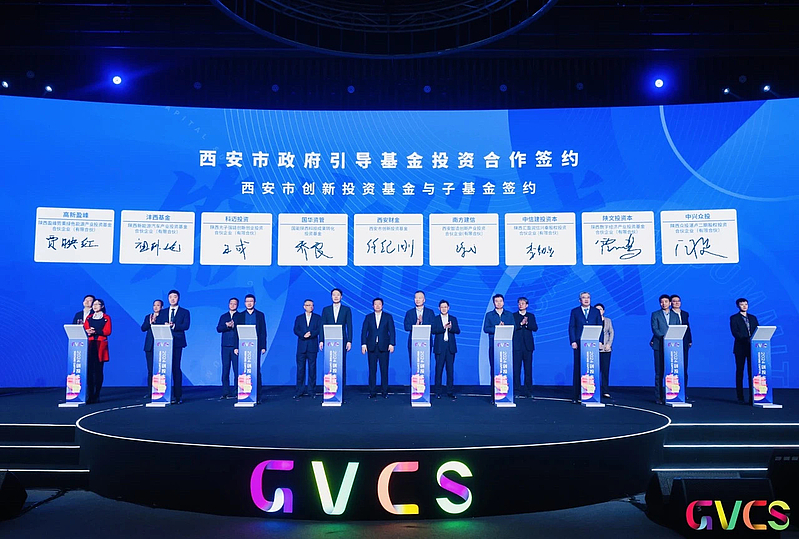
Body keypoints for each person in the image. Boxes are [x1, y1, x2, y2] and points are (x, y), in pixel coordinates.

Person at [568, 292, 604, 404]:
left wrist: (600, 341)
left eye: (588, 297)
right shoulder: (575, 311)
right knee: (578, 368)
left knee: (591, 369)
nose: (586, 299)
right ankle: (576, 395)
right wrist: (573, 341)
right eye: (583, 298)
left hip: (592, 344)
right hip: (579, 344)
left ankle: (592, 395)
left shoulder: (595, 311)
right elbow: (572, 327)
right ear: (580, 300)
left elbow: (600, 326)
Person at [319, 288, 354, 399]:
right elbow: (322, 325)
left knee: (341, 364)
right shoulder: (326, 309)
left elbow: (349, 325)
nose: (335, 296)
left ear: (341, 297)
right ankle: (329, 389)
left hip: (342, 341)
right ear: (331, 296)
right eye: (334, 295)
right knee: (329, 364)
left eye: (338, 295)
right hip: (329, 341)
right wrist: (321, 340)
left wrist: (349, 341)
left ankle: (341, 390)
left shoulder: (346, 309)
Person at [234, 294, 267, 402]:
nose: (249, 303)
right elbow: (236, 332)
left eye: (251, 301)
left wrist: (263, 346)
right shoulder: (240, 316)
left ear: (255, 303)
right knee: (243, 370)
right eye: (247, 301)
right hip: (243, 347)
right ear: (244, 303)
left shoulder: (260, 315)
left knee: (256, 370)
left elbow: (263, 332)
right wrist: (236, 346)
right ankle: (243, 394)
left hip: (256, 347)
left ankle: (257, 396)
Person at [483, 293, 515, 403]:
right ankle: (494, 396)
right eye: (496, 301)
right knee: (494, 370)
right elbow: (486, 328)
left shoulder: (509, 315)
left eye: (500, 301)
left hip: (506, 347)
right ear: (493, 303)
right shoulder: (489, 315)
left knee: (506, 370)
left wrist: (504, 328)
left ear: (503, 302)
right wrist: (498, 328)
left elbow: (513, 327)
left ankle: (508, 395)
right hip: (494, 346)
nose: (499, 303)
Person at [361, 297, 395, 399]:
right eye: (375, 304)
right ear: (373, 306)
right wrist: (363, 344)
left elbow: (392, 331)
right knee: (372, 370)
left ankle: (384, 391)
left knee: (384, 370)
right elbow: (364, 332)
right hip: (371, 347)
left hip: (384, 347)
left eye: (379, 304)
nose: (377, 306)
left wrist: (392, 344)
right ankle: (372, 392)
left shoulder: (388, 317)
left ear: (382, 305)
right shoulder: (368, 317)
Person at [730, 298, 759, 405]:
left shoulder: (753, 318)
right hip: (740, 347)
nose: (744, 306)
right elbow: (735, 332)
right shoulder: (734, 318)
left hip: (752, 348)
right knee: (740, 372)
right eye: (742, 304)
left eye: (746, 304)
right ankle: (740, 397)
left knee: (752, 373)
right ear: (738, 306)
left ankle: (753, 397)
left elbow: (758, 330)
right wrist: (747, 339)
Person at [650, 294, 678, 405]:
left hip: (672, 348)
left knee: (671, 372)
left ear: (670, 303)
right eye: (662, 302)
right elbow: (655, 329)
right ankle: (659, 396)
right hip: (659, 345)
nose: (664, 304)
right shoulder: (655, 314)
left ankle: (671, 395)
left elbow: (677, 328)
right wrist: (664, 337)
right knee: (659, 372)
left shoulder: (675, 315)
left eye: (666, 302)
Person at [83, 298, 111, 404]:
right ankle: (90, 395)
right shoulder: (89, 317)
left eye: (98, 304)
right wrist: (89, 331)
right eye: (94, 304)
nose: (95, 306)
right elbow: (85, 329)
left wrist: (95, 331)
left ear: (102, 306)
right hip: (90, 345)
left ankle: (97, 394)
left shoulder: (106, 318)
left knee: (98, 371)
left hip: (100, 346)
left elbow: (107, 331)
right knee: (90, 372)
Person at [165, 289, 190, 405]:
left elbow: (186, 326)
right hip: (163, 343)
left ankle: (177, 396)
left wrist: (174, 326)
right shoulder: (163, 312)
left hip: (177, 342)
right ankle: (163, 394)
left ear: (178, 298)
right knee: (163, 369)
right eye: (170, 297)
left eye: (175, 297)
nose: (172, 299)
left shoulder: (184, 312)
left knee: (175, 368)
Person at [431, 300, 460, 399]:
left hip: (450, 347)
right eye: (442, 307)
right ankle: (437, 391)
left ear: (448, 308)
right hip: (440, 347)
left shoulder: (453, 319)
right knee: (438, 370)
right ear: (439, 308)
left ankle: (450, 391)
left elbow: (458, 330)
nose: (444, 309)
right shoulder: (435, 319)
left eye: (445, 307)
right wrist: (443, 328)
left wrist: (451, 328)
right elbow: (433, 330)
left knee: (450, 370)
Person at [293, 299, 321, 399]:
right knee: (300, 369)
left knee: (312, 370)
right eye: (308, 305)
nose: (311, 307)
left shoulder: (317, 317)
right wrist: (303, 335)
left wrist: (311, 334)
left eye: (312, 305)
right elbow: (296, 329)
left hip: (312, 346)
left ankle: (311, 390)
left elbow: (319, 329)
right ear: (304, 306)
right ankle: (299, 391)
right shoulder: (299, 318)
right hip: (302, 347)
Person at [512, 297, 538, 399]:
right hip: (517, 346)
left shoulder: (531, 316)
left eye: (523, 303)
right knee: (516, 370)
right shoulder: (514, 316)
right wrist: (520, 324)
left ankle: (528, 391)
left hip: (528, 347)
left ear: (527, 305)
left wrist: (527, 324)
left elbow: (535, 328)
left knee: (528, 370)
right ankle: (516, 391)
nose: (521, 305)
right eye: (519, 303)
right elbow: (512, 328)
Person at [141, 299, 166, 398]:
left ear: (162, 307)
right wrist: (150, 322)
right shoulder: (148, 316)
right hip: (149, 346)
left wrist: (156, 322)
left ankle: (160, 391)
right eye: (154, 305)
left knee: (160, 370)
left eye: (158, 305)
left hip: (161, 345)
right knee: (150, 370)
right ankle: (150, 391)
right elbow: (143, 328)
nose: (155, 307)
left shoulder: (164, 316)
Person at [403, 290, 436, 367]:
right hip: (413, 342)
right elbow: (406, 326)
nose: (417, 300)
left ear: (424, 300)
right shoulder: (409, 312)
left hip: (426, 342)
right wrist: (416, 325)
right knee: (414, 365)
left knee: (425, 365)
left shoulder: (430, 312)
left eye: (420, 298)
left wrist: (422, 323)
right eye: (416, 298)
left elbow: (434, 326)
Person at [670, 294, 693, 402]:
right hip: (671, 343)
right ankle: (672, 391)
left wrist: (690, 340)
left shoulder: (685, 314)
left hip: (683, 342)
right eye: (674, 301)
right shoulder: (668, 314)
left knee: (684, 367)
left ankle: (684, 392)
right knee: (673, 368)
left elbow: (688, 327)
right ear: (671, 303)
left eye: (678, 301)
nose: (676, 303)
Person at [216, 297, 240, 400]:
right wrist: (226, 326)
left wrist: (234, 326)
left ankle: (237, 391)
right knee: (225, 369)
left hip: (236, 346)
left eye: (234, 304)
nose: (232, 305)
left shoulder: (240, 316)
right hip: (225, 346)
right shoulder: (223, 316)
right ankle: (225, 392)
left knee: (236, 370)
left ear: (237, 305)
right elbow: (218, 329)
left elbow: (242, 329)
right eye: (231, 303)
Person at [595, 303, 614, 399]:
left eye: (600, 309)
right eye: (596, 309)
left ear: (604, 311)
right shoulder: (592, 320)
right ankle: (595, 390)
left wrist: (608, 344)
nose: (599, 311)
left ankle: (605, 391)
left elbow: (611, 333)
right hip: (595, 349)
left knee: (605, 370)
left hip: (606, 349)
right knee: (595, 371)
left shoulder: (608, 320)